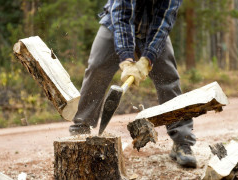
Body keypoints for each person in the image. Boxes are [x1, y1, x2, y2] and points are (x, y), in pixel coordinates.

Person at [69, 0, 197, 168]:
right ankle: (80, 130)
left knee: (169, 78)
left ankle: (182, 142)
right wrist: (127, 59)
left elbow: (164, 20)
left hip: (153, 30)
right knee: (97, 68)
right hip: (116, 25)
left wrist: (148, 58)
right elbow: (122, 15)